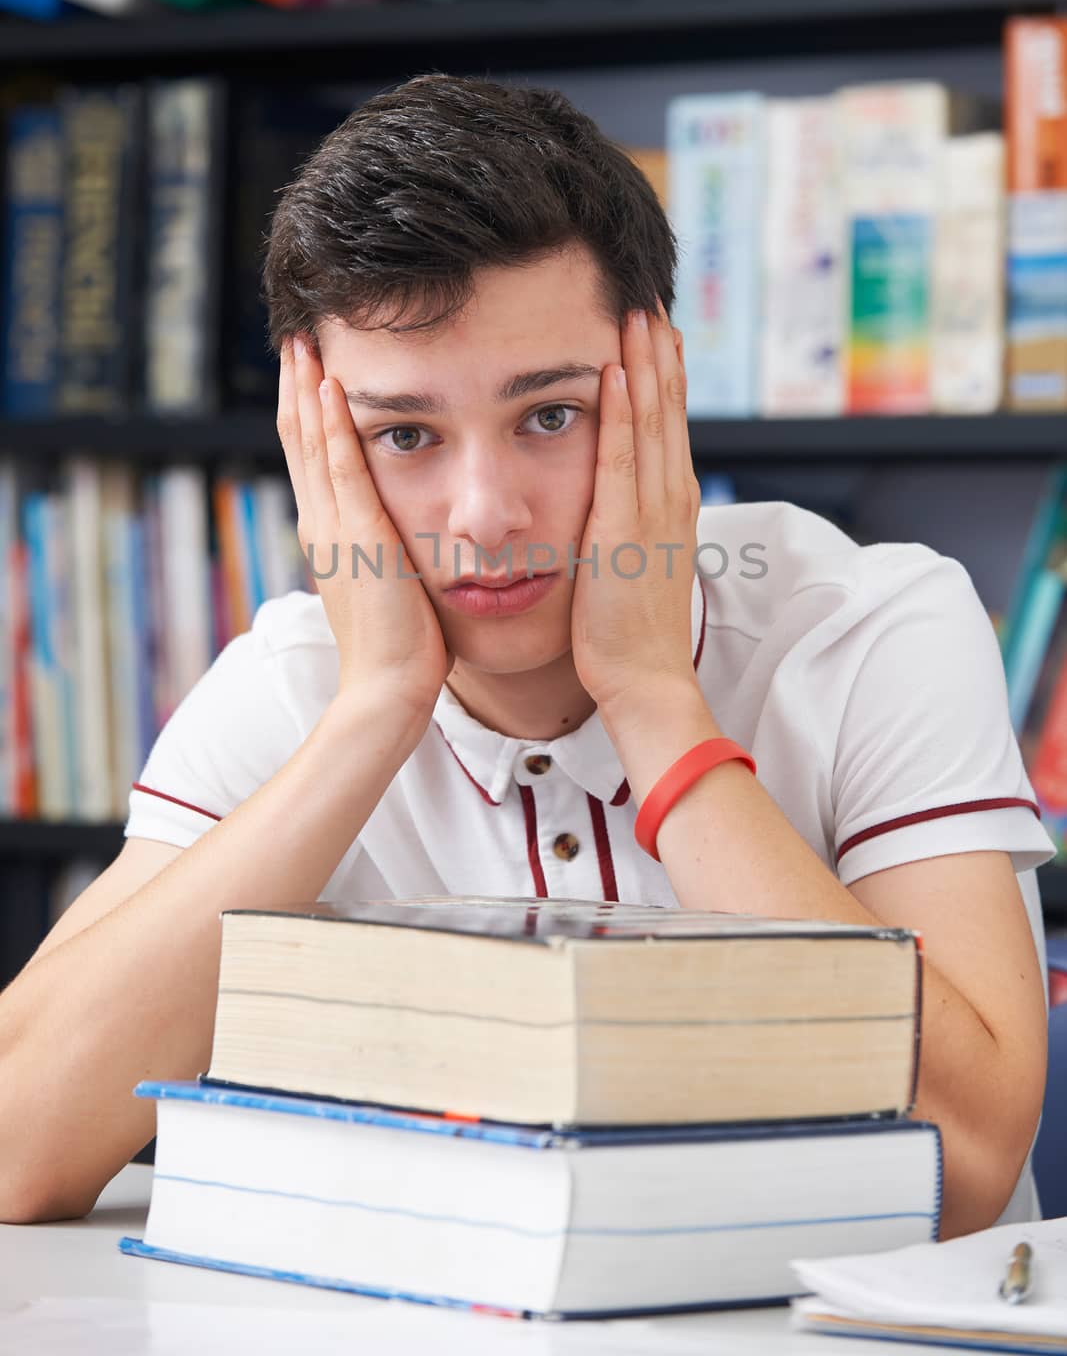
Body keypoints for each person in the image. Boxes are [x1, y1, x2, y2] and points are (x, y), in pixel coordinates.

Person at [0, 75, 1054, 1241]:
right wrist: (373, 713)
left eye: (547, 414)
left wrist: (654, 703)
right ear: (319, 448)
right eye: (403, 436)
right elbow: (12, 1150)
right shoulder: (295, 687)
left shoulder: (871, 625)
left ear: (657, 385)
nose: (484, 511)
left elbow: (963, 1166)